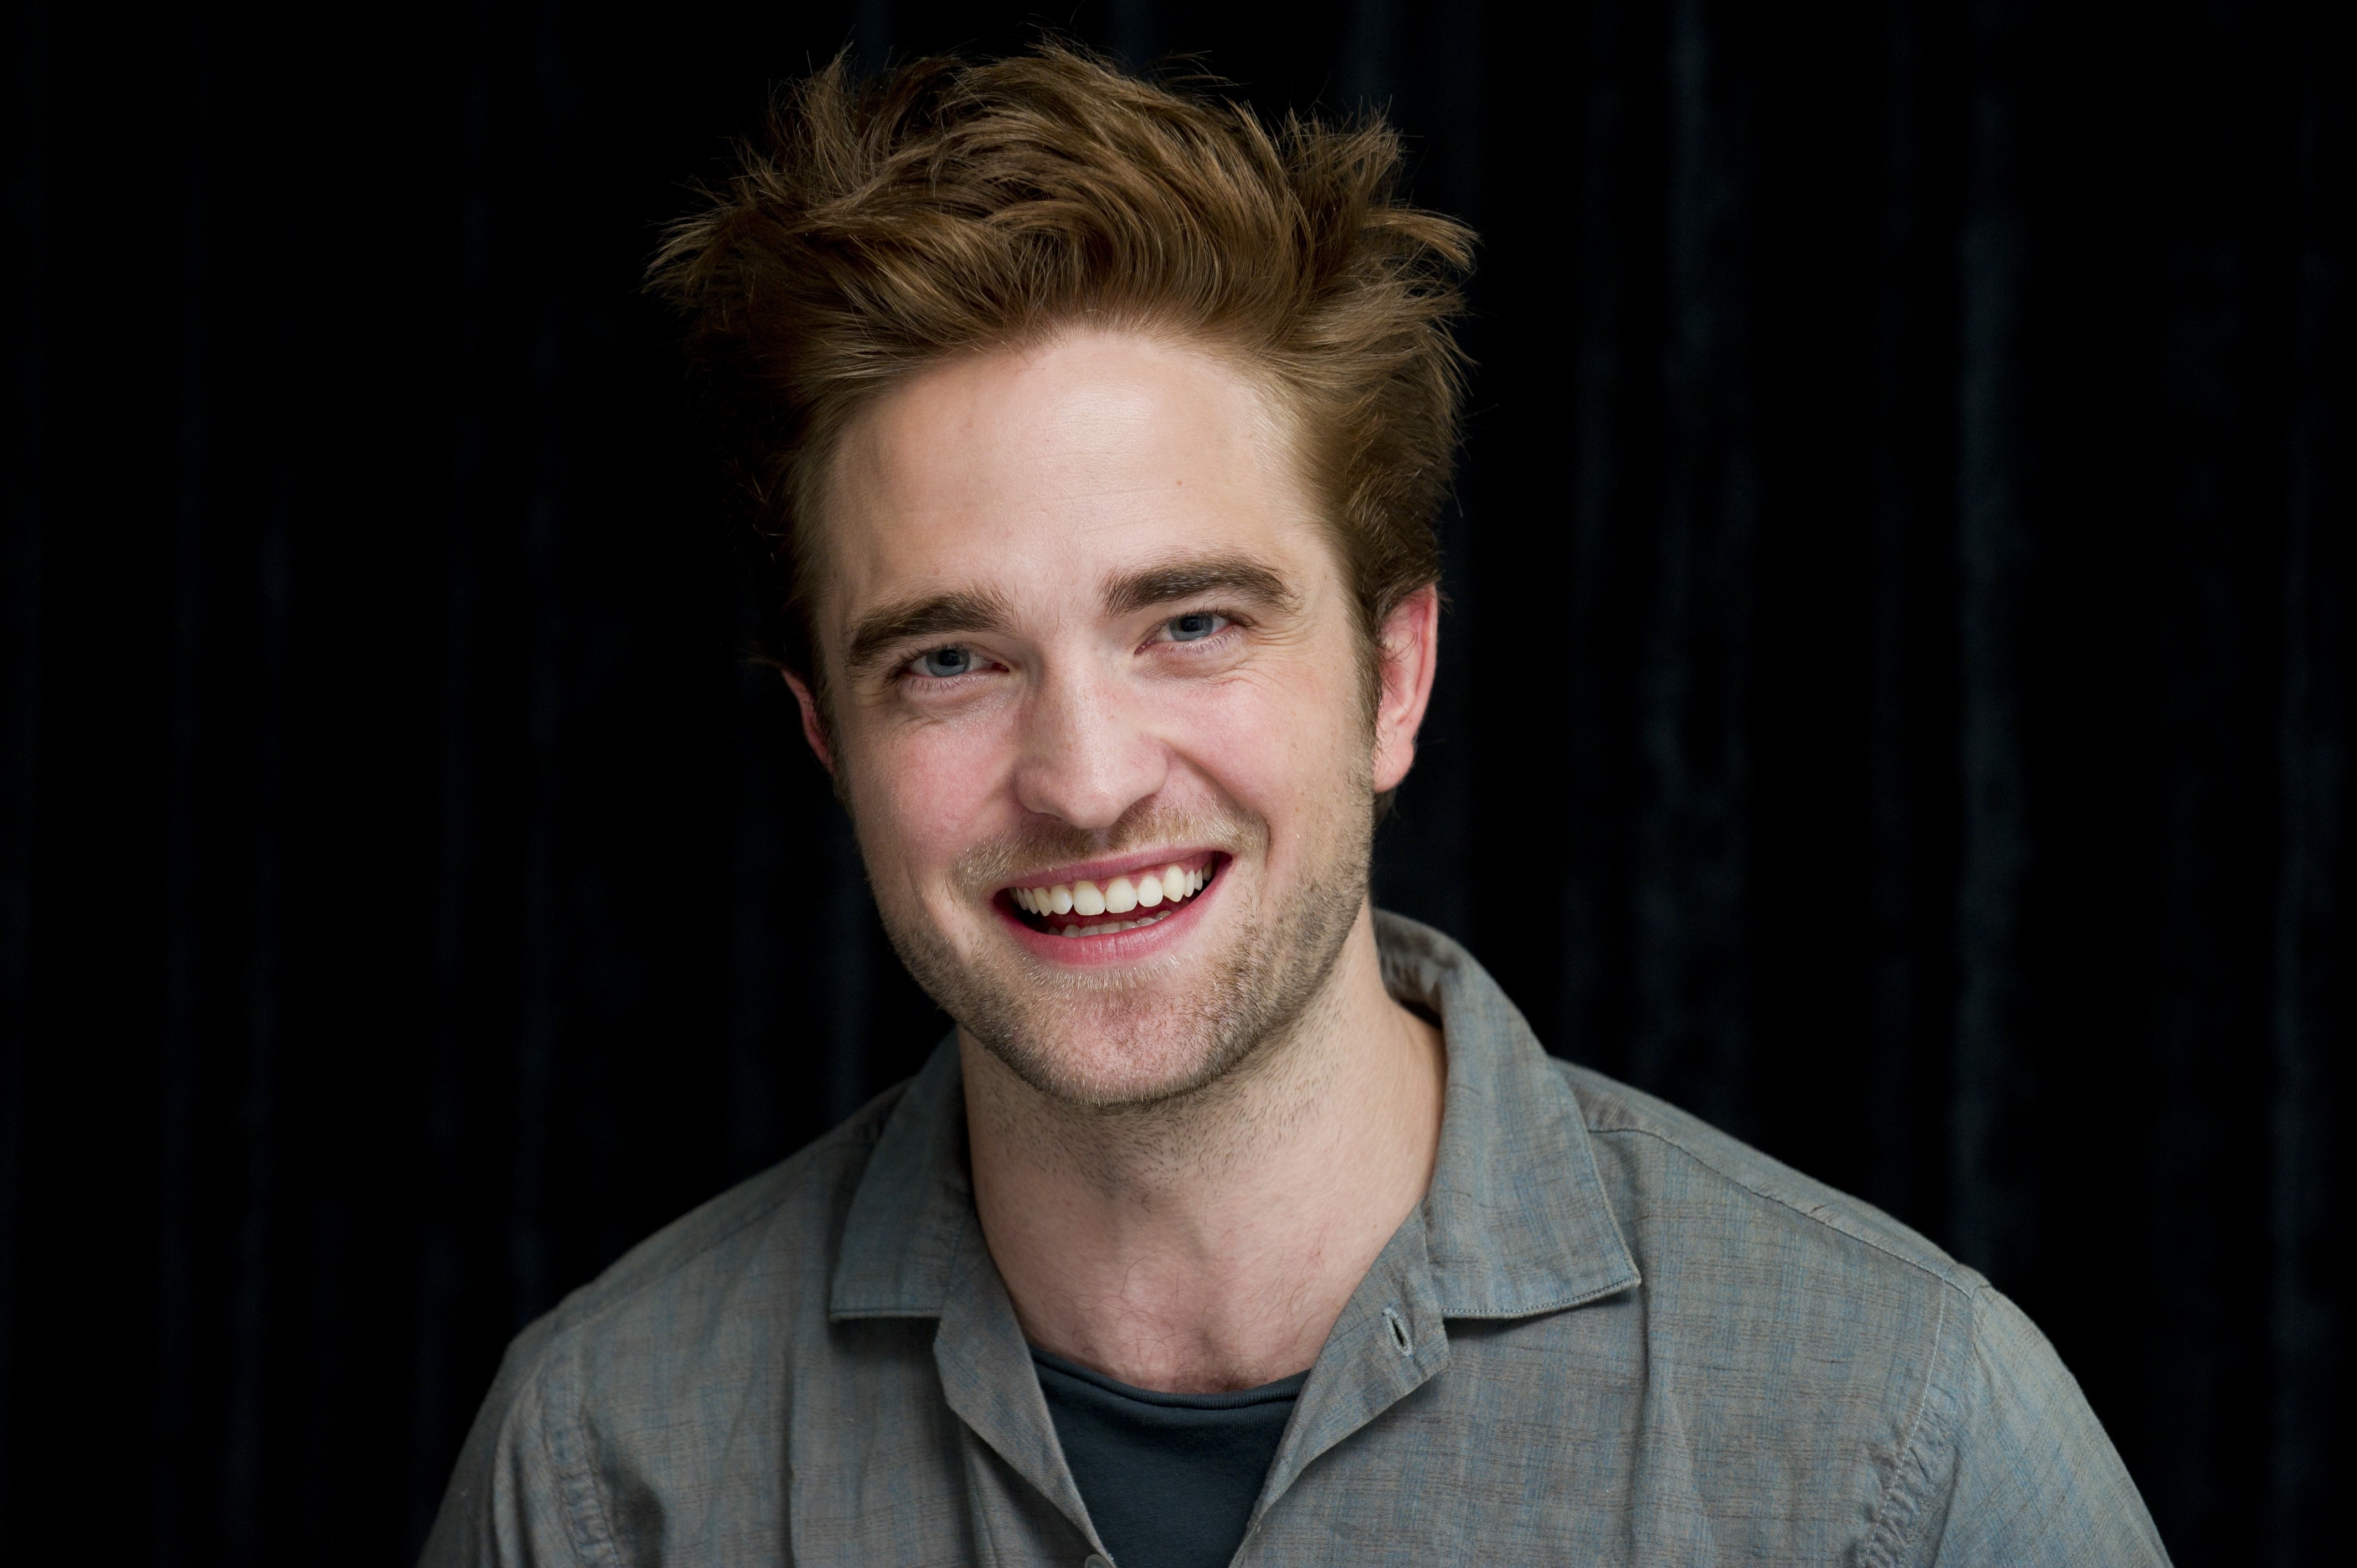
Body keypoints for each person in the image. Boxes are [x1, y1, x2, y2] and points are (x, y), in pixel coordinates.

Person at [421, 44, 2167, 1568]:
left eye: (1191, 625)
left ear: (1395, 677)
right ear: (825, 739)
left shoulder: (1903, 1446)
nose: (1087, 780)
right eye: (951, 661)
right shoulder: (601, 1476)